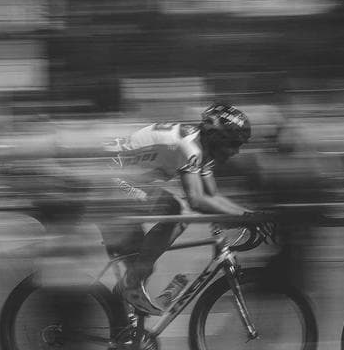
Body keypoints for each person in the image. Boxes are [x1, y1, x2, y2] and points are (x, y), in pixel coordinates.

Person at [100, 103, 253, 317]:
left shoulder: (201, 149)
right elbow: (197, 200)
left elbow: (213, 196)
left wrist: (250, 216)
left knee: (142, 263)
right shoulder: (189, 147)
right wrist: (246, 219)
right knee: (178, 210)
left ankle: (124, 328)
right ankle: (130, 287)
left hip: (118, 180)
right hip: (105, 180)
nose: (237, 151)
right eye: (235, 143)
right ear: (218, 137)